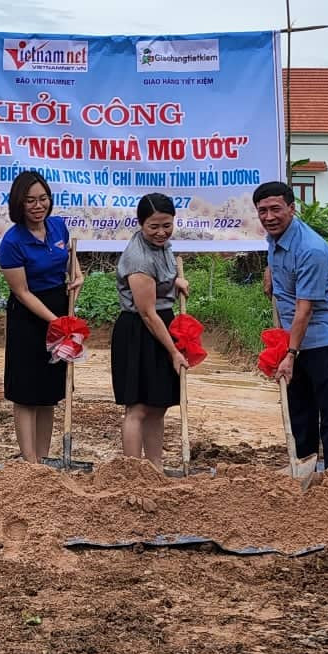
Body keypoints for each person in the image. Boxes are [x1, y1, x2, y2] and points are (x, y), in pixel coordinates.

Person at [254, 179, 328, 474]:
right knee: (299, 412)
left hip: (320, 339)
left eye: (275, 209)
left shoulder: (312, 249)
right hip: (291, 338)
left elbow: (304, 310)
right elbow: (280, 259)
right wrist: (271, 272)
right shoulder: (275, 237)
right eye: (262, 211)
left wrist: (290, 355)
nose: (269, 217)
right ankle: (304, 471)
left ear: (292, 209)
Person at [0, 169, 84, 462]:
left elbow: (70, 263)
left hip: (59, 309)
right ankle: (29, 460)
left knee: (49, 389)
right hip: (29, 317)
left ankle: (43, 460)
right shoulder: (12, 242)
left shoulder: (58, 227)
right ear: (19, 204)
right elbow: (21, 292)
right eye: (30, 201)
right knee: (26, 389)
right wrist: (54, 321)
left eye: (43, 198)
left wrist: (78, 276)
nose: (38, 206)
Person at [110, 192, 190, 463]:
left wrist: (175, 281)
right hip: (140, 331)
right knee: (139, 407)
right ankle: (134, 471)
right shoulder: (138, 258)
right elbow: (146, 312)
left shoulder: (164, 246)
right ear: (140, 224)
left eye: (166, 225)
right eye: (153, 226)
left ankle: (155, 469)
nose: (161, 232)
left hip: (162, 324)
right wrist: (173, 352)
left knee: (158, 405)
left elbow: (162, 279)